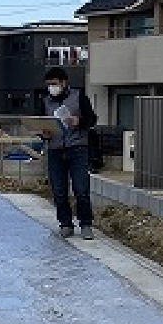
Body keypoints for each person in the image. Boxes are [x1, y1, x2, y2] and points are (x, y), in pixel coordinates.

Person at [42, 65, 97, 239]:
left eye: (55, 83)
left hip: (78, 148)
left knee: (81, 189)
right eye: (49, 84)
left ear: (64, 82)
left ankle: (86, 224)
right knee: (59, 190)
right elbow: (40, 123)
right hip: (55, 149)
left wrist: (78, 121)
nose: (52, 87)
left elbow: (92, 120)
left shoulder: (78, 97)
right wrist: (44, 133)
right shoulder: (45, 101)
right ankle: (65, 224)